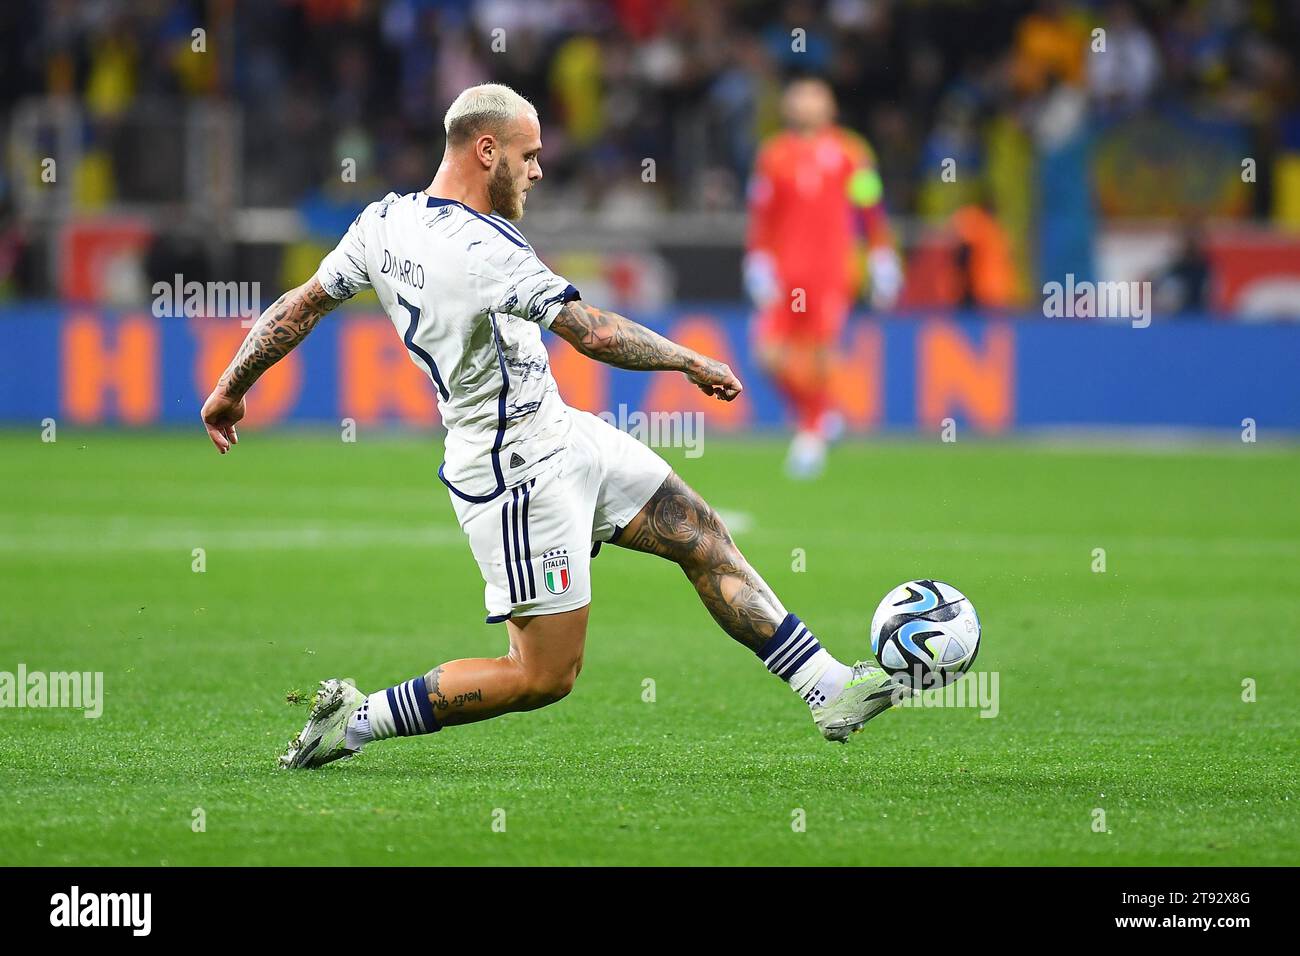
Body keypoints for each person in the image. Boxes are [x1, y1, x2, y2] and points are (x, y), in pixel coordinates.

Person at [199, 84, 898, 769]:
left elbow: (302, 305)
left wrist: (230, 390)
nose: (537, 171)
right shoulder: (482, 249)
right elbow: (592, 332)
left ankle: (828, 688)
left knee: (697, 531)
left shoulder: (383, 222)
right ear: (485, 149)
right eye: (527, 156)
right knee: (542, 676)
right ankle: (355, 721)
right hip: (513, 470)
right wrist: (689, 359)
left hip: (560, 430)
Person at [744, 77, 902, 479]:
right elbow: (763, 214)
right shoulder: (774, 155)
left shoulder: (851, 152)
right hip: (785, 275)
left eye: (814, 95)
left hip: (832, 272)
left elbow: (870, 207)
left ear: (829, 105)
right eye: (798, 95)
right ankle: (818, 415)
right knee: (766, 354)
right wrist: (757, 260)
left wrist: (882, 255)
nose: (805, 102)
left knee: (820, 355)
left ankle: (811, 435)